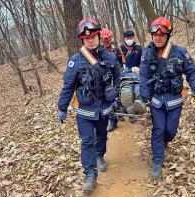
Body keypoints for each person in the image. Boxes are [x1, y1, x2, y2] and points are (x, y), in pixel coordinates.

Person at [57, 18, 120, 192]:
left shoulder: (110, 56)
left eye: (93, 36)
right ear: (82, 40)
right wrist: (62, 108)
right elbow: (68, 85)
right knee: (87, 141)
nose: (90, 40)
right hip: (85, 110)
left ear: (99, 35)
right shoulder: (75, 60)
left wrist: (115, 95)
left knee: (101, 135)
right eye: (86, 38)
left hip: (104, 108)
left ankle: (100, 155)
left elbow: (118, 79)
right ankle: (90, 174)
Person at [139, 17, 195, 180]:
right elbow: (144, 76)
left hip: (174, 99)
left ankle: (165, 142)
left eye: (162, 34)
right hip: (156, 100)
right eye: (155, 34)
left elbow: (191, 72)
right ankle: (157, 161)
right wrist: (145, 98)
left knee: (170, 131)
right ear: (152, 35)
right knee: (158, 129)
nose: (158, 37)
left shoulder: (180, 52)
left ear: (168, 35)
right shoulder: (147, 53)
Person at [100, 28, 123, 132]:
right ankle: (113, 120)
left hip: (117, 74)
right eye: (104, 40)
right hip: (105, 78)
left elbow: (121, 62)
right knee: (108, 97)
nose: (106, 42)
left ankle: (120, 112)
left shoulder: (116, 49)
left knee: (118, 95)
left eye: (107, 40)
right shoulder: (98, 51)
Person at [119, 30, 143, 123]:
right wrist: (128, 70)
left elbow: (143, 62)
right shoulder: (120, 49)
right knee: (125, 91)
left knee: (137, 91)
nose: (129, 39)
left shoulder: (139, 49)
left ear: (133, 38)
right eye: (127, 37)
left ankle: (132, 113)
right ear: (124, 38)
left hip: (137, 74)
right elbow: (117, 67)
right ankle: (124, 111)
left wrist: (139, 69)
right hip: (124, 75)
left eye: (131, 37)